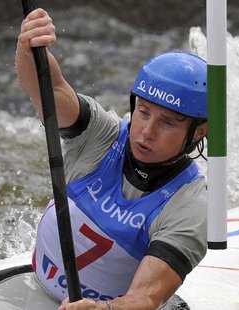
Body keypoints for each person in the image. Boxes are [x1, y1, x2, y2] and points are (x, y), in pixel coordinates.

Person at [16, 8, 208, 310]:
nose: (146, 132)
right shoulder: (100, 135)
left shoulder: (190, 206)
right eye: (143, 112)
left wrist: (102, 309)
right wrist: (29, 46)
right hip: (34, 290)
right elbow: (49, 88)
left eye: (167, 123)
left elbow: (145, 298)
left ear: (198, 132)